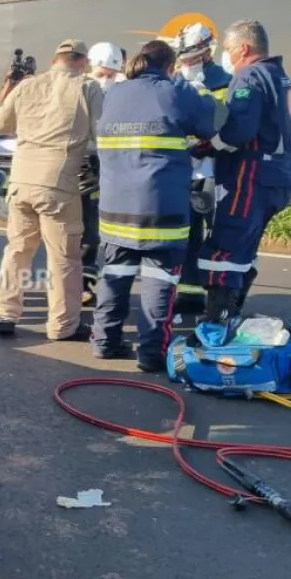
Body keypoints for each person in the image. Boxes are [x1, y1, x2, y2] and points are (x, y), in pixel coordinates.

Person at [91, 39, 220, 372]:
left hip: (115, 208)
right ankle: (150, 355)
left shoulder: (117, 93)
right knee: (158, 282)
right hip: (161, 210)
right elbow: (211, 121)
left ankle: (104, 343)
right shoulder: (174, 90)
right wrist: (195, 88)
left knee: (114, 276)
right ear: (169, 65)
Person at [0, 39, 103, 341]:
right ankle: (63, 326)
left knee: (17, 250)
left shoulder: (27, 85)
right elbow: (102, 133)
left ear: (55, 59)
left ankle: (5, 313)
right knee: (64, 257)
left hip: (20, 182)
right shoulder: (88, 87)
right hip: (58, 185)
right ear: (82, 60)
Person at [196, 19, 291, 322]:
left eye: (228, 49)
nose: (228, 55)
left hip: (249, 175)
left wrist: (209, 143)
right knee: (245, 245)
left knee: (226, 246)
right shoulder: (281, 78)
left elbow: (239, 130)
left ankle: (217, 323)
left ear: (244, 47)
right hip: (278, 176)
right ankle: (231, 315)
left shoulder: (249, 77)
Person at [170, 22, 233, 315]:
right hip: (185, 169)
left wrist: (206, 143)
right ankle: (190, 290)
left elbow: (228, 122)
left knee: (219, 231)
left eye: (192, 58)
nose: (187, 63)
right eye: (183, 58)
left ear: (207, 53)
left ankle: (222, 291)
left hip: (214, 169)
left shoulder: (225, 82)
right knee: (190, 232)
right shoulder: (175, 81)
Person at [80, 42, 127, 304]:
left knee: (97, 231)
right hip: (82, 165)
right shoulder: (79, 89)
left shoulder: (122, 91)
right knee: (84, 229)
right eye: (101, 74)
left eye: (110, 75)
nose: (106, 80)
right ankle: (79, 285)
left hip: (109, 167)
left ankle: (89, 282)